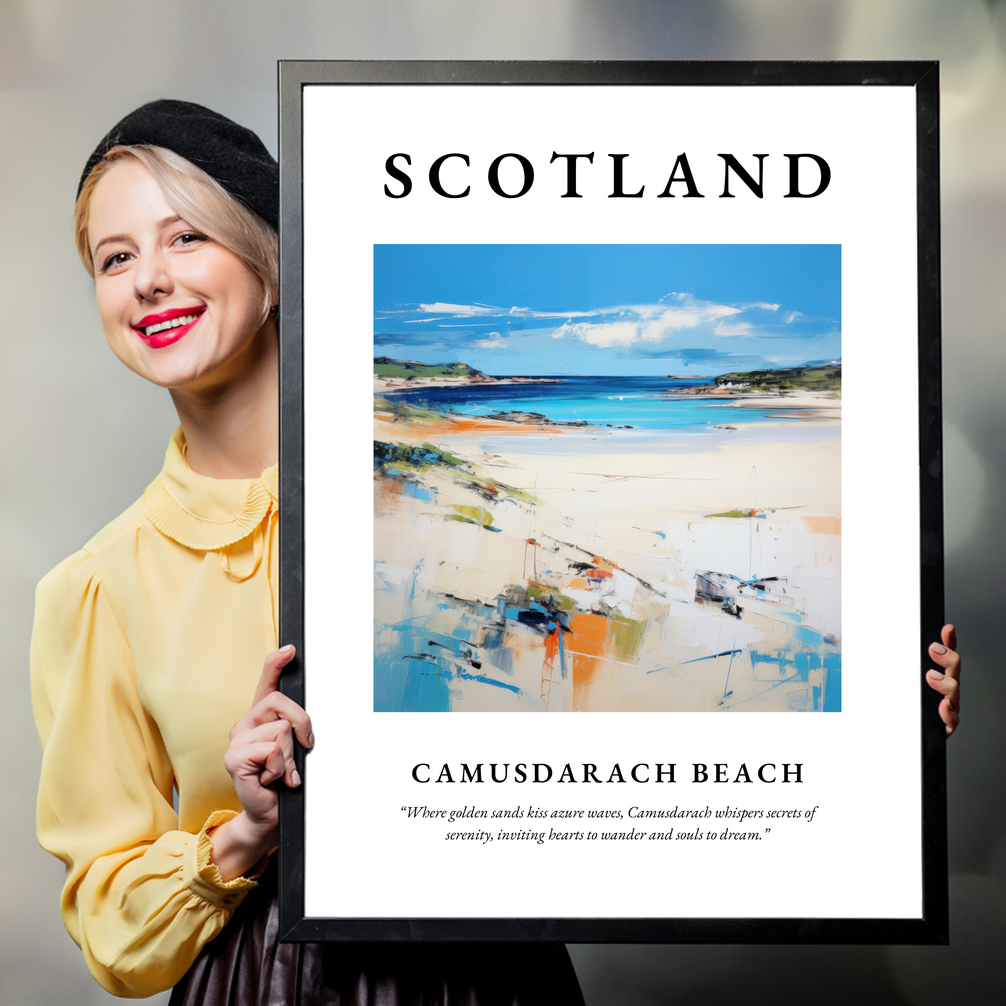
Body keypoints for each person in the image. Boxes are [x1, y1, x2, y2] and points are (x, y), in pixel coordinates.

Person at [30, 100, 585, 1004]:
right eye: (116, 257)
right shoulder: (98, 587)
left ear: (273, 264)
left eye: (186, 239)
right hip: (263, 981)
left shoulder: (448, 496)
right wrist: (245, 832)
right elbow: (110, 924)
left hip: (493, 972)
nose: (148, 281)